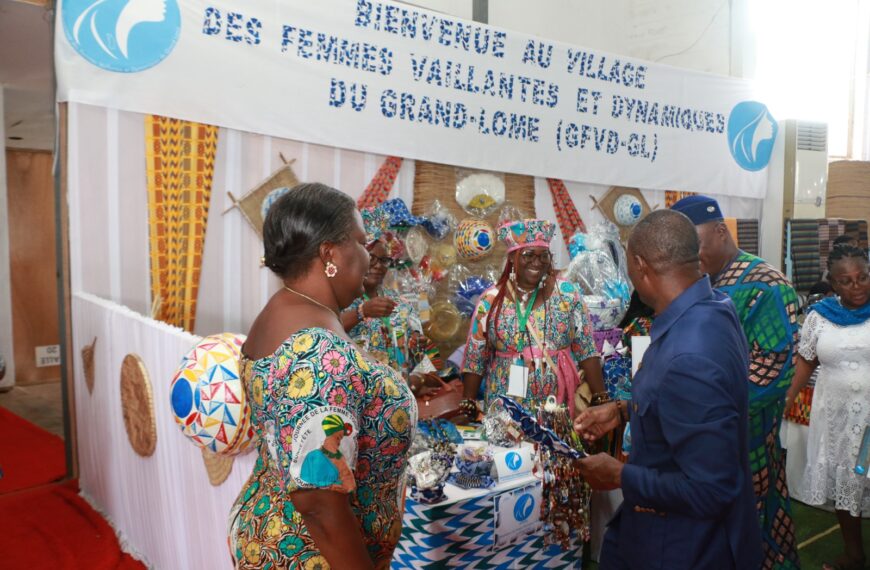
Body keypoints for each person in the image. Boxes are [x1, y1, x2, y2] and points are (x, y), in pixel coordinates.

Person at [229, 183, 417, 570]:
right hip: (311, 554)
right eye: (363, 243)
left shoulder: (282, 311)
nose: (368, 257)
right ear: (329, 253)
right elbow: (318, 501)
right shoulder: (319, 352)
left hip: (275, 528)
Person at [574, 209, 761, 570]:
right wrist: (624, 410)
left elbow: (711, 489)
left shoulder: (689, 355)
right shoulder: (714, 307)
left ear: (640, 265)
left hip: (685, 545)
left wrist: (620, 475)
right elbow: (693, 405)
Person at [671, 194, 799, 569]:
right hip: (696, 440)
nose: (692, 259)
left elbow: (770, 374)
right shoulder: (696, 285)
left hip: (746, 440)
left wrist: (697, 405)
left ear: (721, 231)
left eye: (696, 247)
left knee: (750, 533)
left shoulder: (767, 286)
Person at [461, 219, 605, 418]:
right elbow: (476, 356)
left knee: (555, 448)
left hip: (555, 408)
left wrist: (601, 396)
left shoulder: (567, 294)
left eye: (543, 256)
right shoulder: (491, 300)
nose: (537, 262)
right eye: (528, 255)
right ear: (512, 257)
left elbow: (586, 348)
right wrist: (468, 400)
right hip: (505, 410)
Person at [785, 244, 870, 570]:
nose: (857, 286)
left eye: (862, 277)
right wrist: (786, 401)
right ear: (832, 284)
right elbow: (806, 362)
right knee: (846, 481)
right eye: (846, 281)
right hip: (836, 417)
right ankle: (854, 553)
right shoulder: (820, 317)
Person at [340, 206, 441, 396]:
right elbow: (323, 332)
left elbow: (431, 358)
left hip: (396, 404)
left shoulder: (401, 304)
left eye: (385, 260)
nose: (378, 266)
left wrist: (418, 377)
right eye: (372, 258)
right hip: (357, 399)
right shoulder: (341, 299)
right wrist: (362, 312)